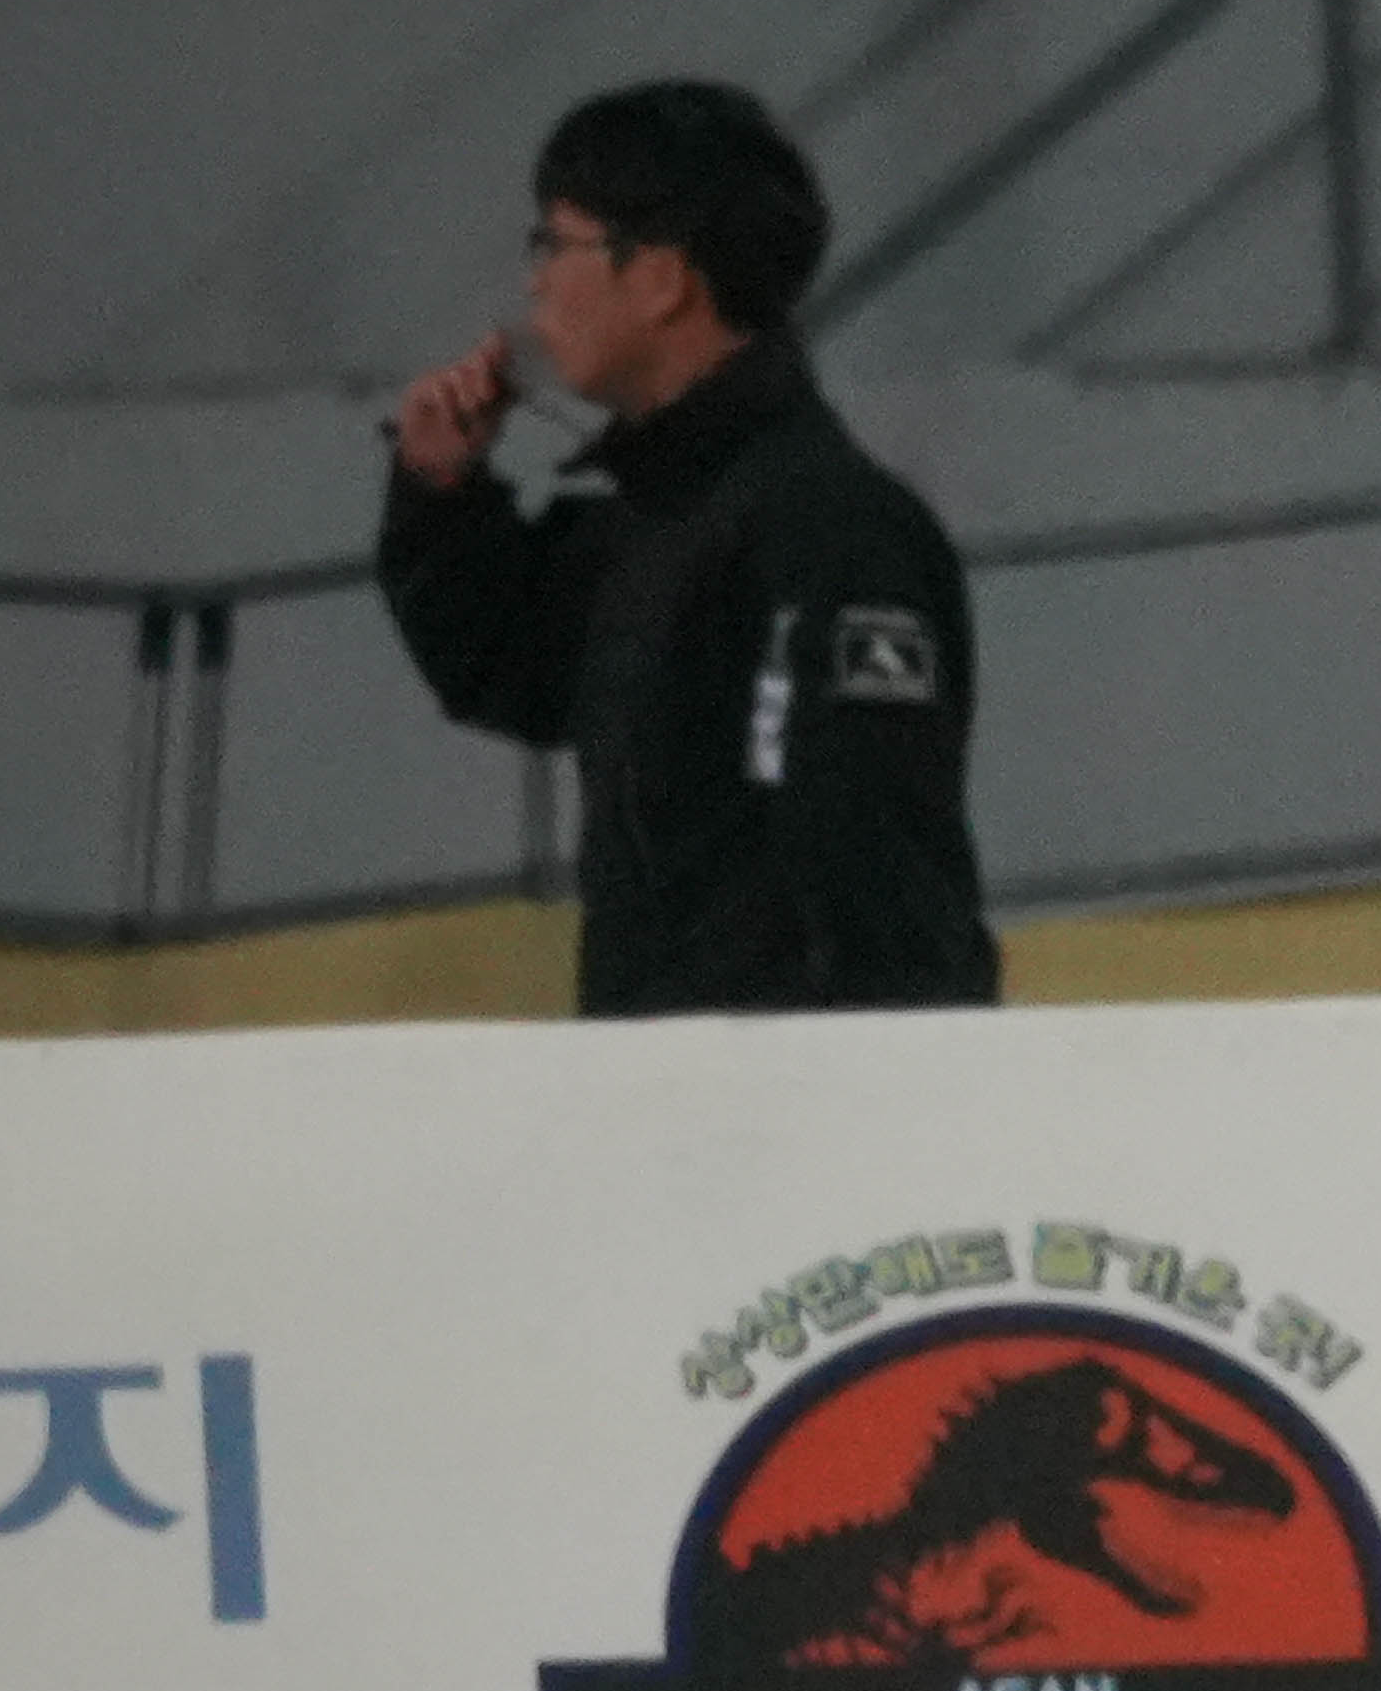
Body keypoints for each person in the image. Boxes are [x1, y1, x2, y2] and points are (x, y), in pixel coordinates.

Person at [379, 80, 1001, 1017]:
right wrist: (443, 495)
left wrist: (828, 1095)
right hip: (676, 1081)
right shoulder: (658, 517)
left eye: (556, 244)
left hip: (775, 1091)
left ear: (664, 279)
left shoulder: (827, 527)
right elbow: (511, 664)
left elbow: (868, 874)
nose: (536, 281)